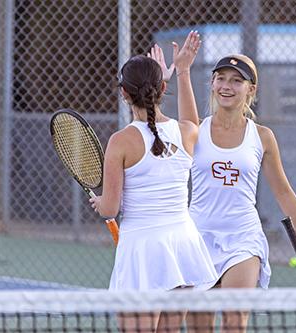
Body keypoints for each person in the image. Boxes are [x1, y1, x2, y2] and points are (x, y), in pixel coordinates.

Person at [151, 50, 296, 332]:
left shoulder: (262, 136)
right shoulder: (195, 131)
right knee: (198, 326)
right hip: (197, 238)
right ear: (213, 84)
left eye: (236, 81)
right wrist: (177, 75)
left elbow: (284, 192)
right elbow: (152, 117)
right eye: (221, 79)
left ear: (251, 89)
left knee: (234, 321)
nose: (226, 86)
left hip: (243, 238)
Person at [90, 31, 217, 333]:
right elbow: (190, 119)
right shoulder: (187, 133)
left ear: (123, 93)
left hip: (143, 249)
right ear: (162, 88)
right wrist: (182, 71)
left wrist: (99, 202)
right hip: (182, 242)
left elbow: (110, 208)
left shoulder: (120, 142)